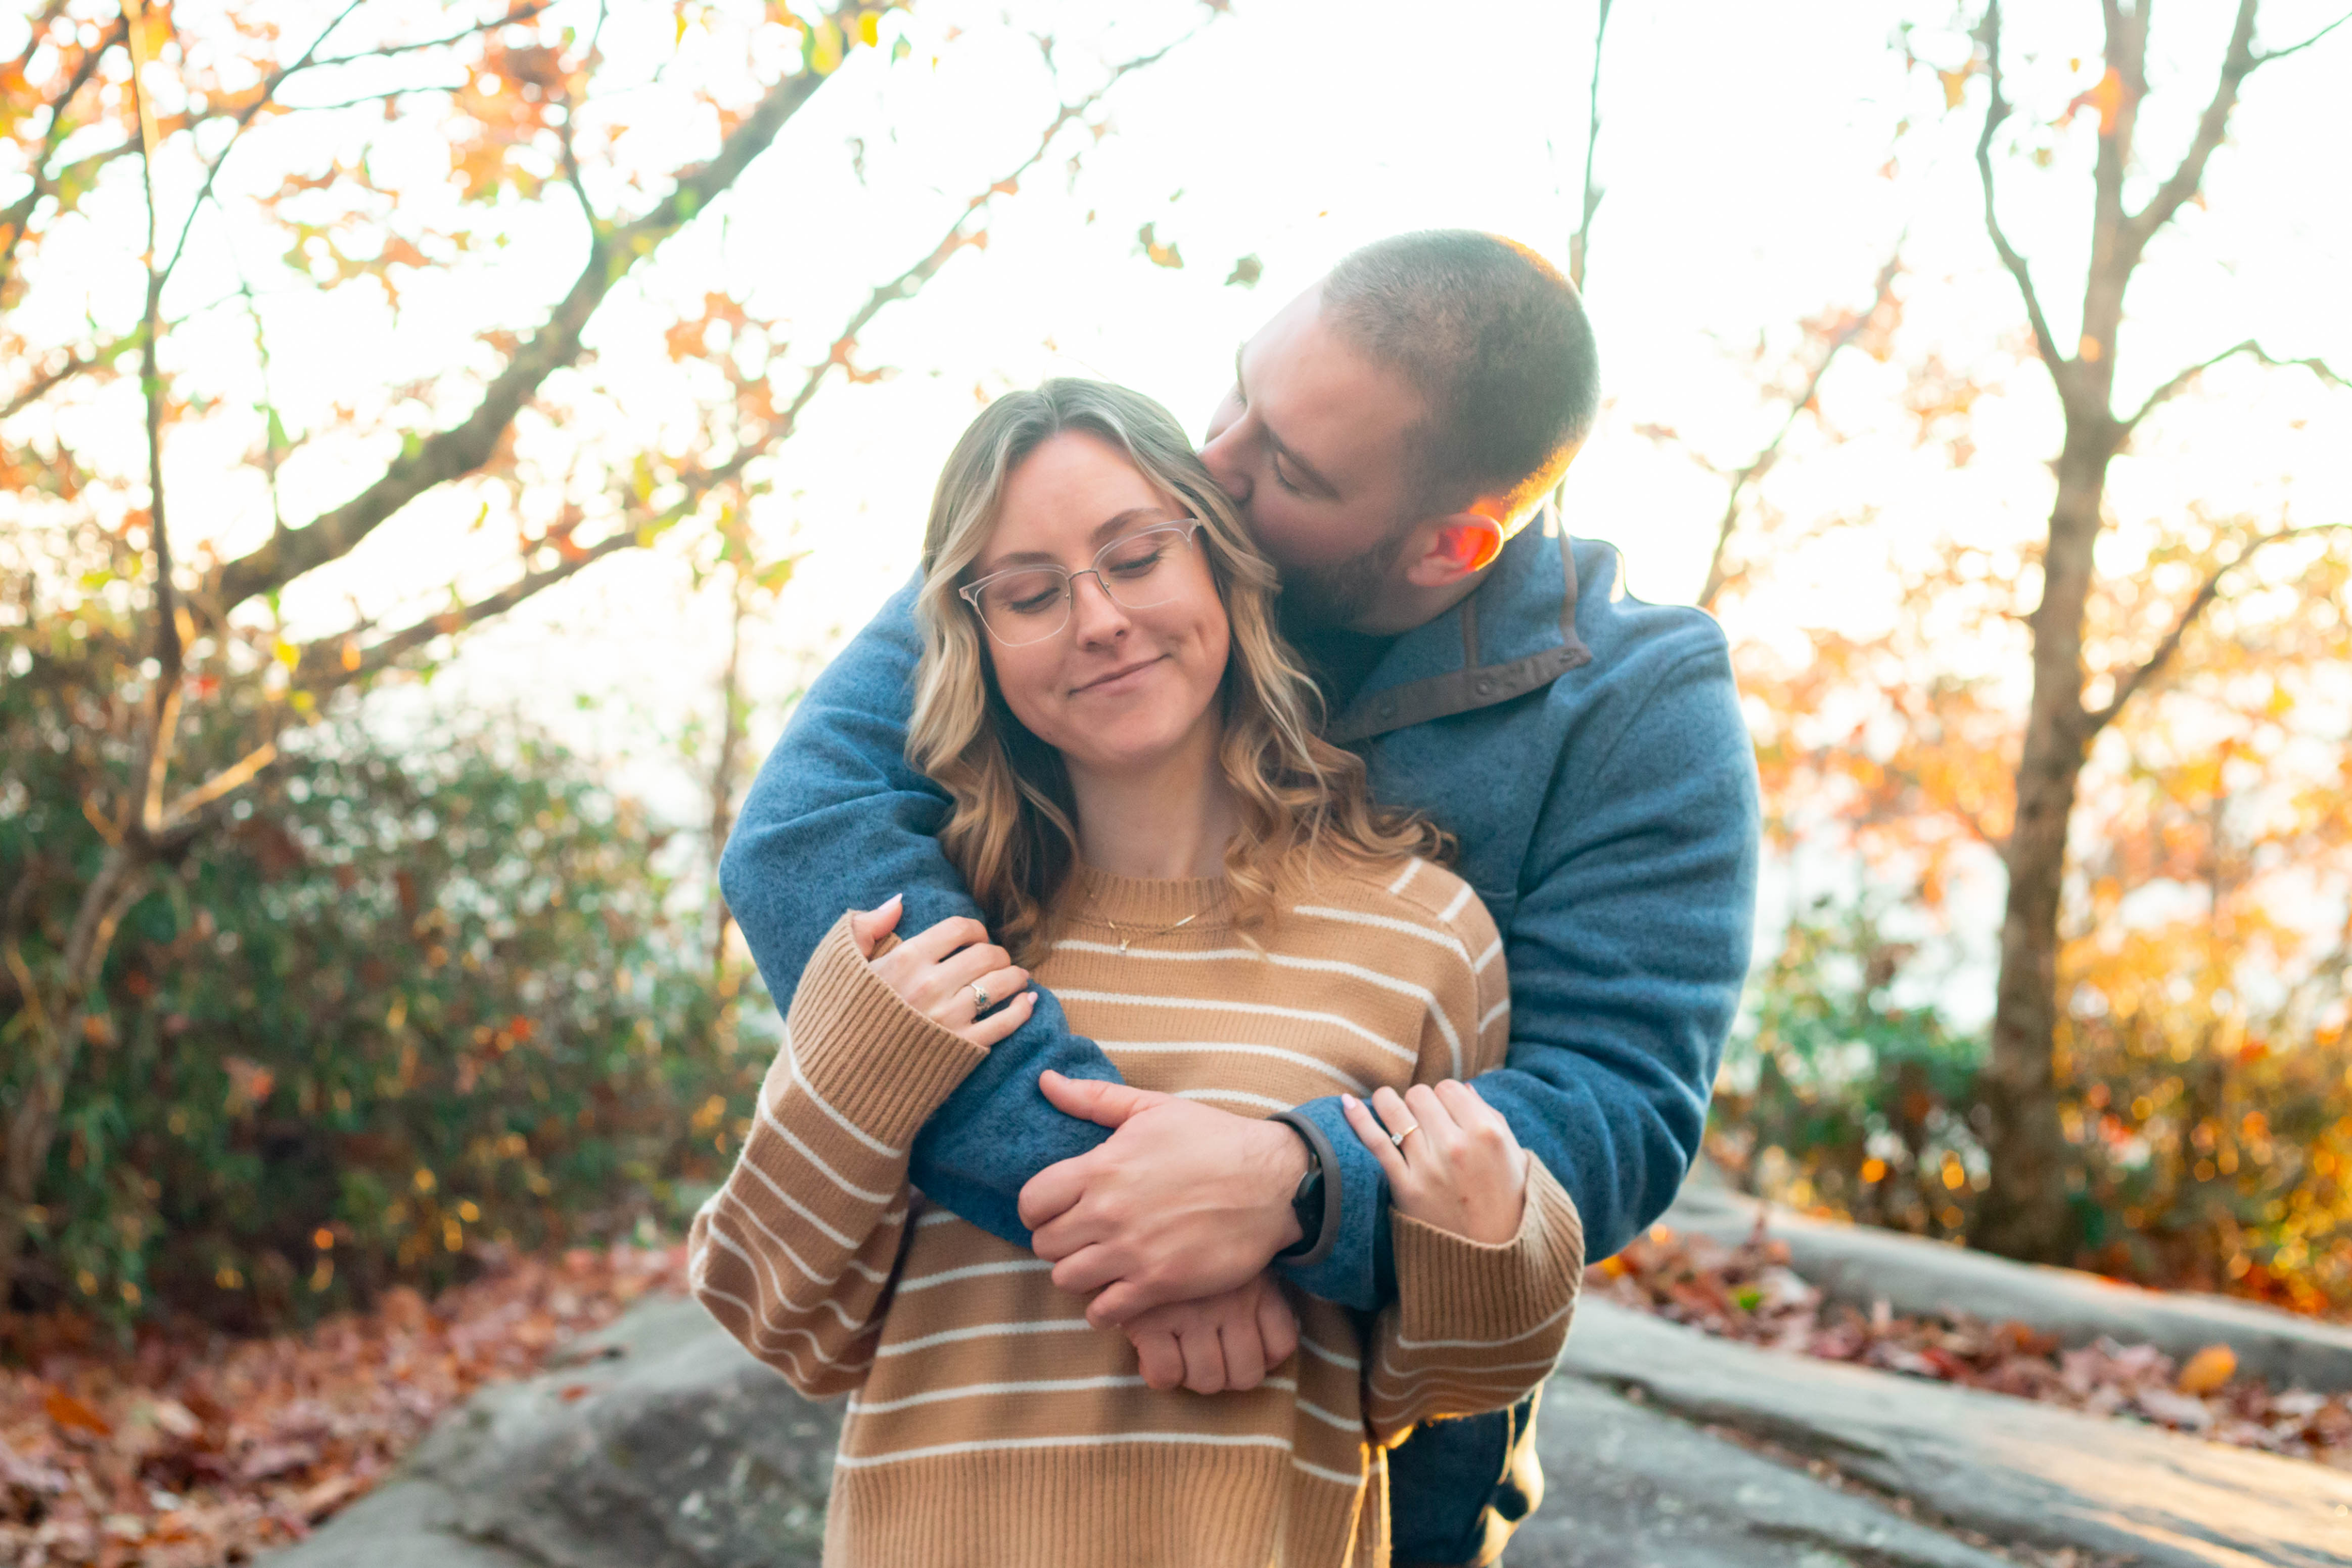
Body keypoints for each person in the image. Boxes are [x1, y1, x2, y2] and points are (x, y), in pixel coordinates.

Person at [722, 230, 1760, 1564]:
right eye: (1239, 396)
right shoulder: (1123, 540)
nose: (1216, 465)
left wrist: (1293, 1185)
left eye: (1289, 468)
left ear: (1446, 547)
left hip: (1354, 1484)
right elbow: (810, 834)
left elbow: (1614, 1105)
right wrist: (1113, 1207)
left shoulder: (1629, 703)